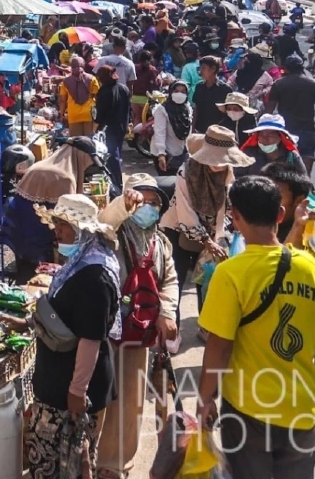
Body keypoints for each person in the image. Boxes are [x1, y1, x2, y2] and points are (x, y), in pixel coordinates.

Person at [196, 176, 315, 479]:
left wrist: (205, 400)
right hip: (301, 407)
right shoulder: (311, 269)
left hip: (248, 412)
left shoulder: (231, 274)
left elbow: (219, 346)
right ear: (280, 215)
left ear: (235, 217)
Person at [25, 195, 121, 479]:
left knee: (68, 464)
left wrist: (77, 391)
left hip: (72, 392)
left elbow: (91, 339)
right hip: (60, 383)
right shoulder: (78, 264)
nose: (57, 231)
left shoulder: (95, 276)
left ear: (83, 230)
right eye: (56, 223)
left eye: (64, 225)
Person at [95, 175, 181, 479]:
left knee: (130, 401)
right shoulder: (112, 232)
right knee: (99, 396)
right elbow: (104, 220)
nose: (148, 207)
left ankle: (115, 464)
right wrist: (122, 205)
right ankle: (90, 458)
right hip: (105, 328)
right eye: (140, 200)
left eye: (154, 202)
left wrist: (167, 312)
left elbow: (169, 280)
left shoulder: (161, 243)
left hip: (140, 332)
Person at [160, 127, 255, 322]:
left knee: (207, 278)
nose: (220, 165)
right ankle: (172, 326)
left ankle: (206, 323)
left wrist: (229, 228)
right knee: (175, 278)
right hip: (179, 227)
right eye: (216, 159)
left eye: (224, 160)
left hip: (212, 231)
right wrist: (206, 240)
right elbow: (185, 211)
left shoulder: (227, 171)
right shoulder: (186, 171)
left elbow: (226, 203)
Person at [1, 142, 95, 282]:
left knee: (25, 266)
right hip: (35, 230)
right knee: (39, 276)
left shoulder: (41, 165)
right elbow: (65, 218)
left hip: (17, 222)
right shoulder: (65, 177)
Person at [266, 55, 315, 173]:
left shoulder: (279, 84)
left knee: (283, 156)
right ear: (302, 67)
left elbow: (270, 108)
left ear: (286, 68)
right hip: (307, 128)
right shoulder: (313, 83)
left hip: (285, 129)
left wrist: (265, 125)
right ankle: (305, 182)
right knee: (307, 154)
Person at [259, 161, 315, 247]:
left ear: (298, 200)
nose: (264, 200)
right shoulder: (250, 217)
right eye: (262, 192)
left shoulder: (309, 231)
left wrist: (298, 227)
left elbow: (283, 259)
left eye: (274, 195)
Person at [95, 65, 132, 198]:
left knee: (111, 157)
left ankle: (116, 185)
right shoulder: (124, 88)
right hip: (121, 127)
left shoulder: (104, 92)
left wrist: (96, 128)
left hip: (107, 129)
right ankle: (116, 183)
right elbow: (129, 108)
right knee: (116, 154)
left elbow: (99, 115)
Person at [237, 115, 306, 180]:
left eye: (270, 135)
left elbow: (303, 181)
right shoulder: (249, 153)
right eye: (261, 135)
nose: (264, 139)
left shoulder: (291, 156)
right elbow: (236, 176)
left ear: (281, 137)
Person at [151, 81, 192, 175]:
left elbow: (188, 131)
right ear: (170, 92)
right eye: (176, 91)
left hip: (180, 152)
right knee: (167, 184)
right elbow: (159, 132)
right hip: (165, 154)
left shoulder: (187, 109)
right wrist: (161, 154)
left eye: (183, 92)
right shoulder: (162, 109)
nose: (179, 94)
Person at [59, 56, 100, 137]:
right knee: (88, 142)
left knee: (76, 142)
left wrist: (61, 114)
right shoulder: (92, 79)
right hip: (89, 114)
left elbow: (62, 100)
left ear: (71, 66)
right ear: (83, 65)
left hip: (73, 114)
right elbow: (97, 96)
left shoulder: (65, 82)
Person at [191, 56, 233, 134]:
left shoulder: (225, 89)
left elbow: (229, 113)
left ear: (213, 69)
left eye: (203, 68)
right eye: (200, 68)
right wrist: (193, 127)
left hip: (218, 131)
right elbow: (196, 109)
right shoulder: (199, 87)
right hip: (200, 129)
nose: (201, 71)